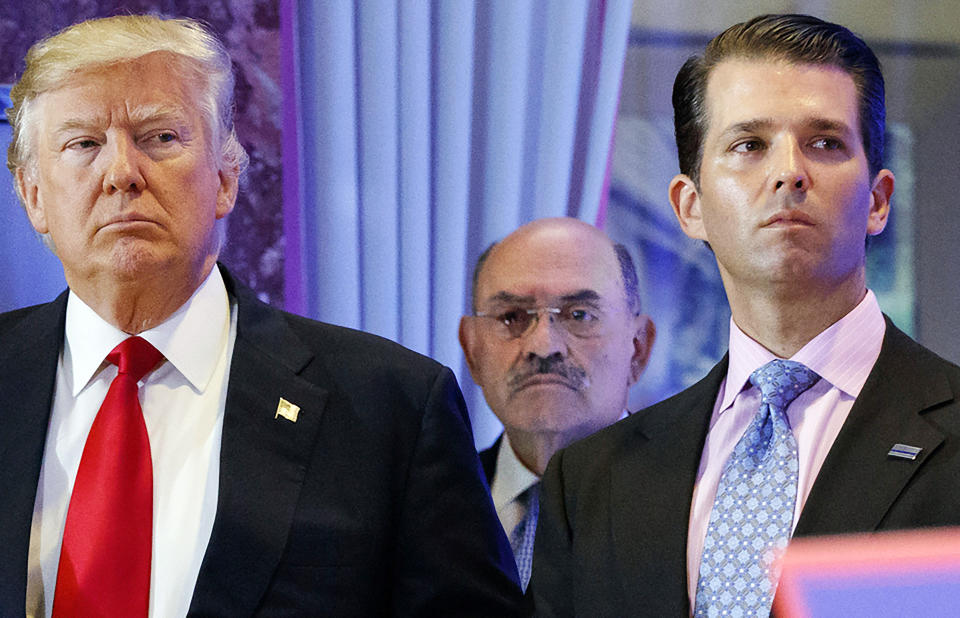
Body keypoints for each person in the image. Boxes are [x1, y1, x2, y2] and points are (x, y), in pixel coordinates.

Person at [0, 15, 522, 617]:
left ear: (226, 176)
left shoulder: (391, 405)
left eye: (160, 137)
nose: (121, 173)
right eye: (83, 144)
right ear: (34, 195)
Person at [531, 13, 960, 616]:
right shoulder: (592, 482)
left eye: (825, 143)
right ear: (690, 206)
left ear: (878, 200)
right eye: (748, 145)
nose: (789, 171)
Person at [459, 217, 655, 591]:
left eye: (579, 315)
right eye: (512, 317)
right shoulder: (425, 511)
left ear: (638, 348)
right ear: (472, 350)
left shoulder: (696, 506)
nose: (543, 346)